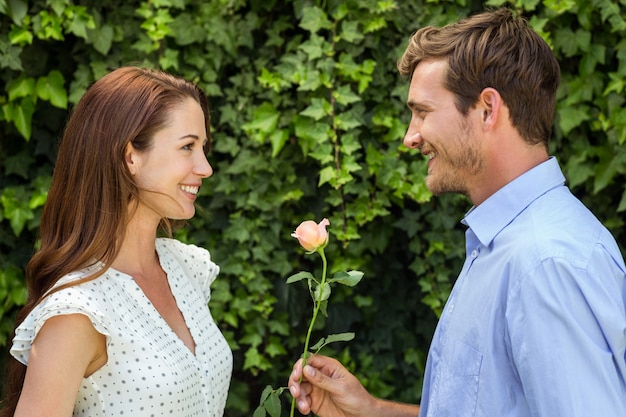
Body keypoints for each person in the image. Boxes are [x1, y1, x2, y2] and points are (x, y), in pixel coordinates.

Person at [288, 7, 626, 417]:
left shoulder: (546, 262)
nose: (410, 137)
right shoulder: (504, 245)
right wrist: (372, 411)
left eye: (423, 112)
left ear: (487, 109)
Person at [1, 67, 232, 416]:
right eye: (188, 146)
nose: (205, 167)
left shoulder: (186, 269)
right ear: (130, 157)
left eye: (203, 147)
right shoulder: (78, 310)